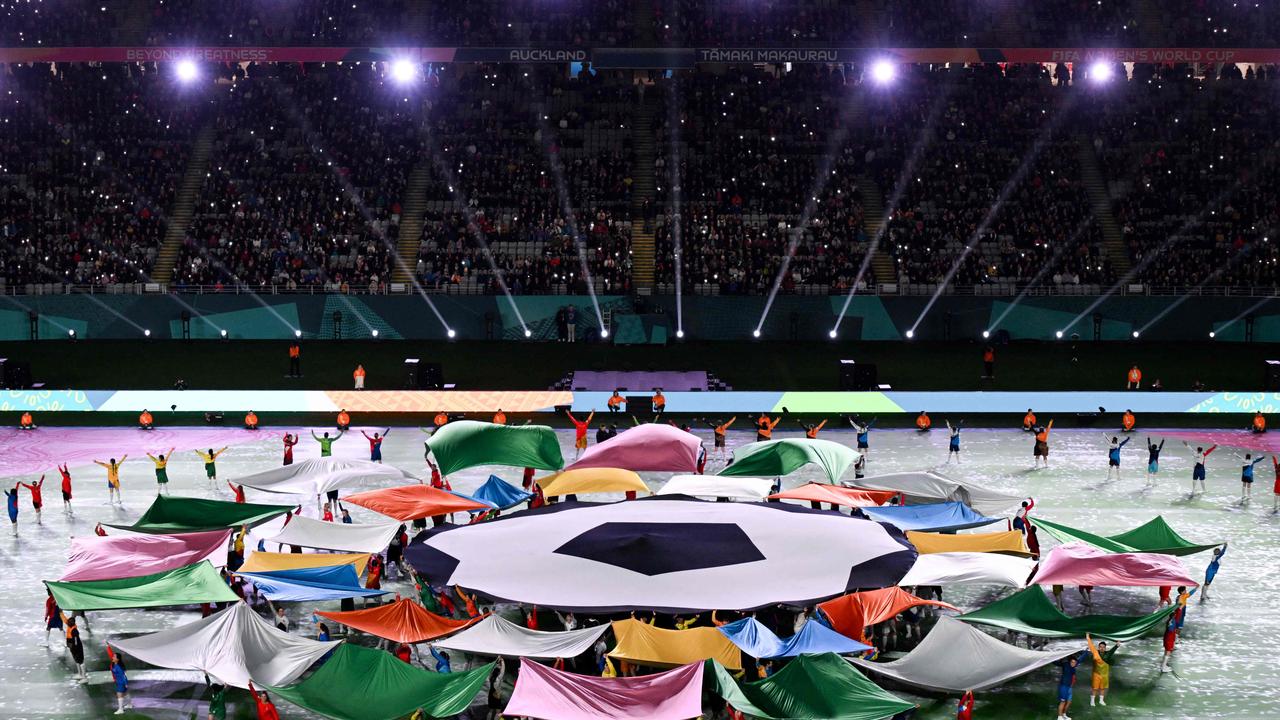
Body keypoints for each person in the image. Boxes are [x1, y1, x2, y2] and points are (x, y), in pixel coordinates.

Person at [1085, 634, 1119, 707]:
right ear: (1099, 647)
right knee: (1095, 688)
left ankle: (1101, 700)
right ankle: (1092, 701)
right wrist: (1088, 637)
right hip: (1096, 674)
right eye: (1101, 647)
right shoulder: (1095, 653)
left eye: (1103, 647)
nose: (1102, 648)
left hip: (1104, 674)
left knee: (1102, 688)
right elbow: (1091, 646)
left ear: (1105, 648)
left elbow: (1112, 651)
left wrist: (1117, 645)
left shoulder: (1107, 654)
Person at [1056, 652, 1082, 720]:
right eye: (1072, 662)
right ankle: (1059, 717)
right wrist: (1060, 659)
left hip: (1069, 687)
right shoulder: (1065, 664)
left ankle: (1064, 714)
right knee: (1063, 702)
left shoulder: (1074, 665)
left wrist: (1086, 651)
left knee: (1069, 702)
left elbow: (1081, 658)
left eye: (1075, 662)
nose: (1073, 663)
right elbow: (1055, 662)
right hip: (1063, 687)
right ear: (1069, 661)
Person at [107, 644, 131, 714]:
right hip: (119, 681)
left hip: (121, 682)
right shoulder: (114, 663)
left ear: (117, 659)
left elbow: (124, 675)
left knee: (119, 694)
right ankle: (129, 705)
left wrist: (126, 683)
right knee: (126, 693)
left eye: (114, 657)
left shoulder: (118, 667)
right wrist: (108, 646)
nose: (112, 657)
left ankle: (121, 709)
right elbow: (110, 654)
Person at [64, 612, 87, 683]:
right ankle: (79, 674)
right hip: (73, 647)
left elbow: (76, 641)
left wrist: (74, 648)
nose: (67, 623)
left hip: (77, 648)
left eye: (68, 622)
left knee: (81, 661)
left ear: (72, 623)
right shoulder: (70, 628)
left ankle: (84, 677)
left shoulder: (74, 630)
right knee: (77, 661)